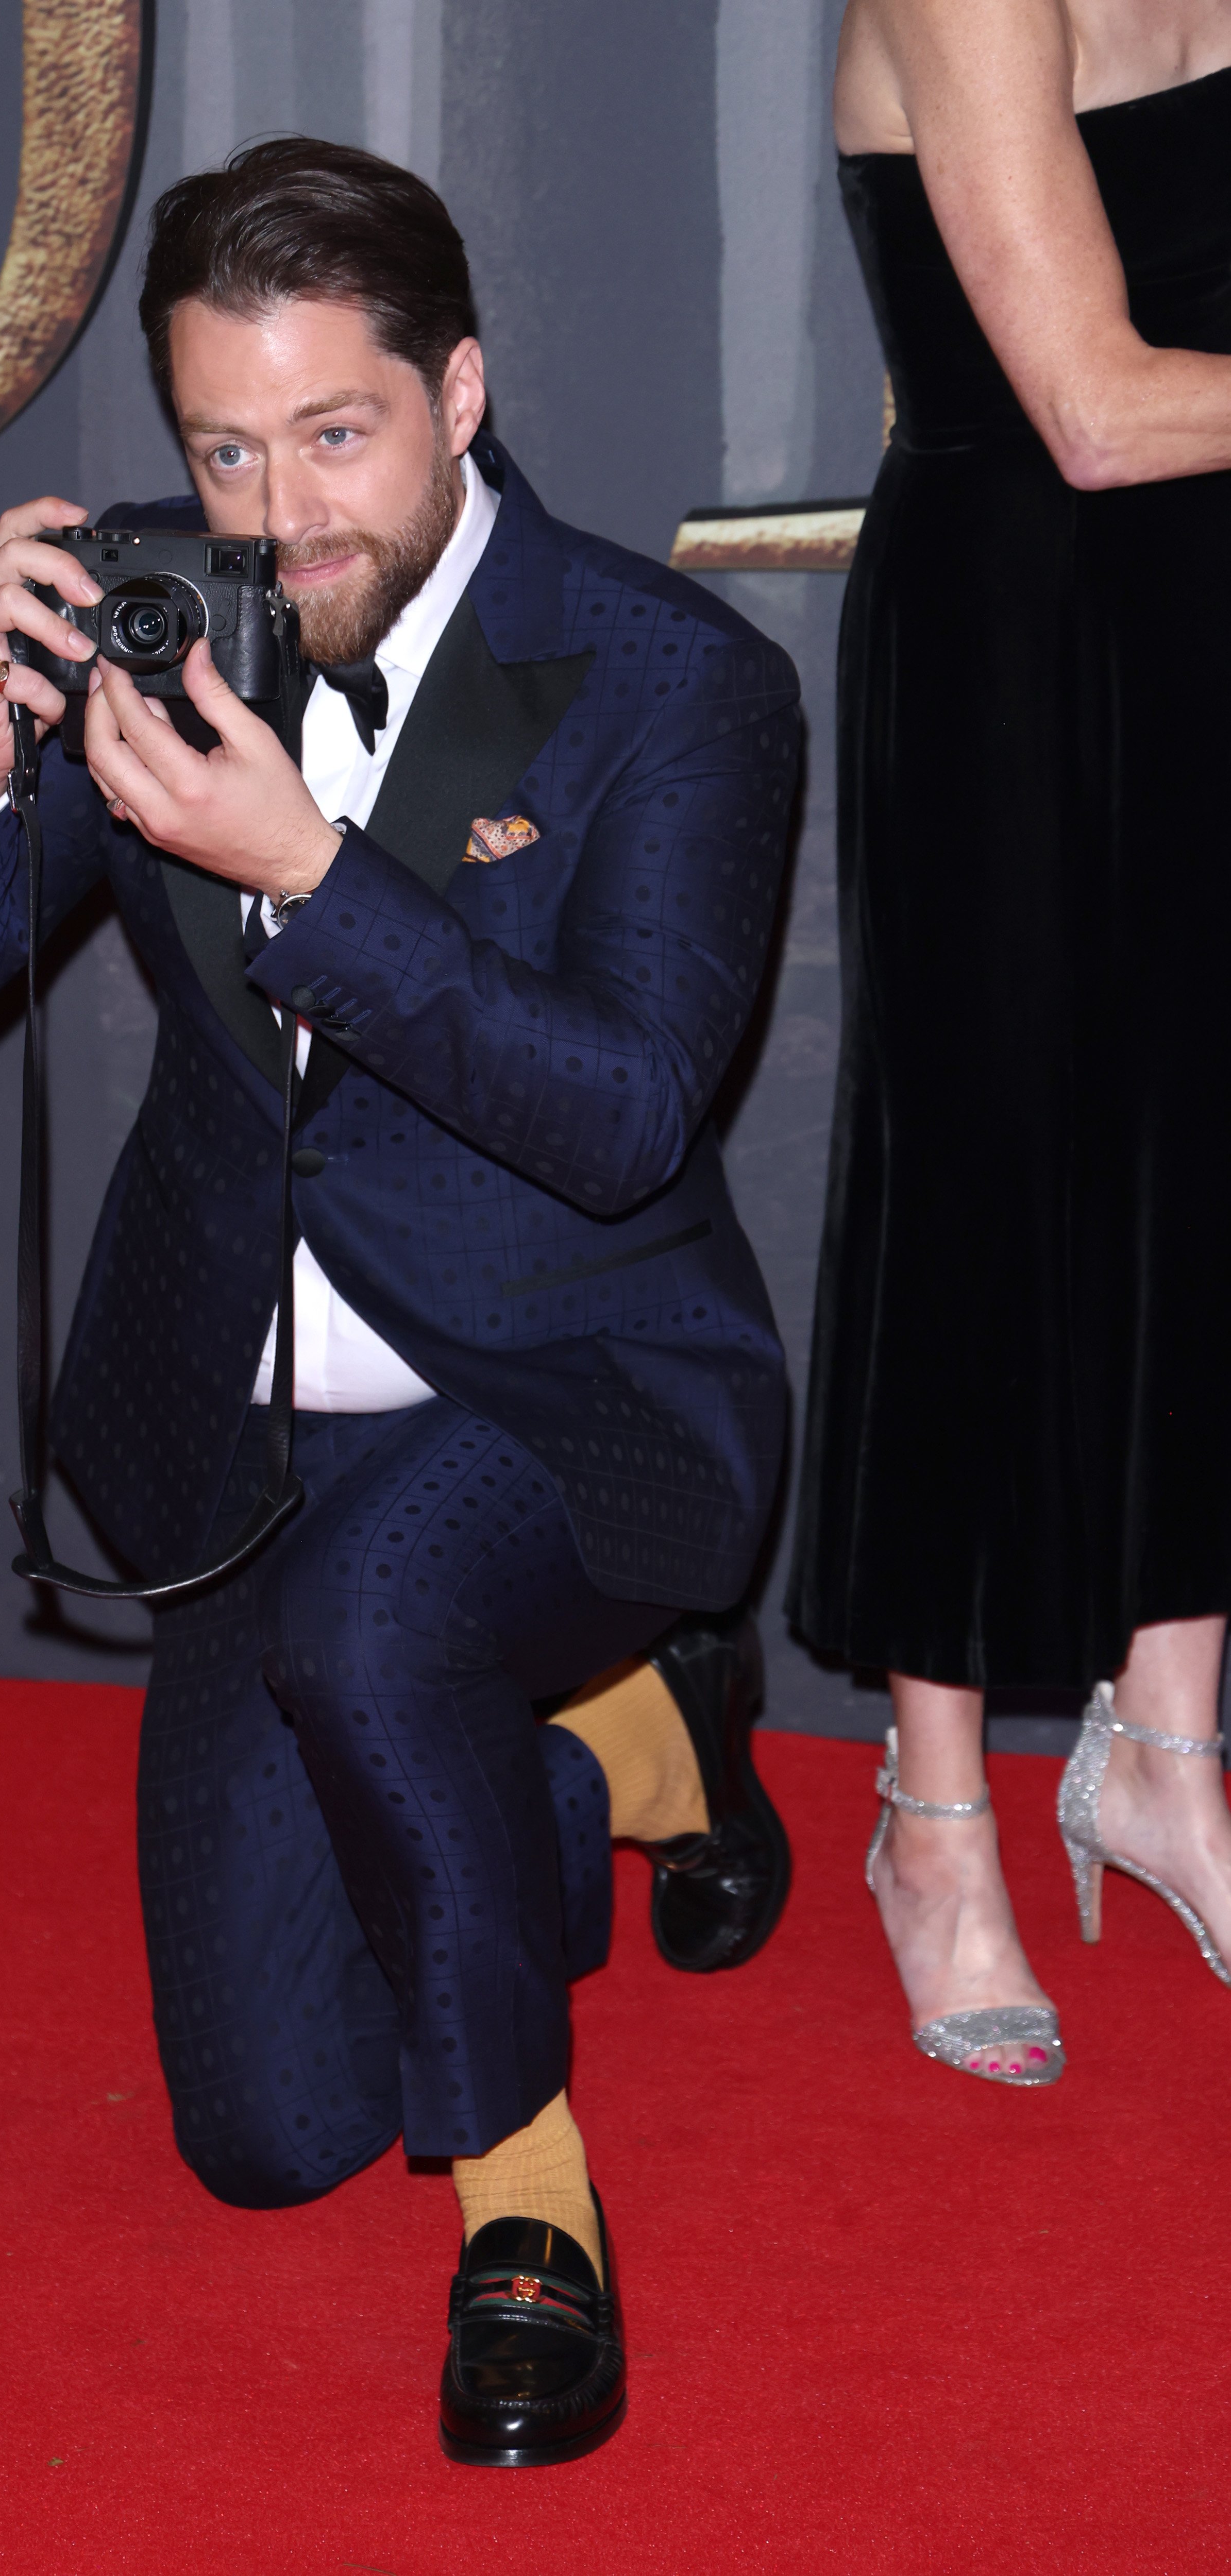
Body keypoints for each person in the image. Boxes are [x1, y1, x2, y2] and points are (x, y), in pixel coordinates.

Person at [0, 140, 799, 2463]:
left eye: (339, 433)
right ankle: (624, 1750)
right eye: (227, 449)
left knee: (383, 1625)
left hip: (581, 1388)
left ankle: (528, 2203)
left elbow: (632, 1110)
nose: (288, 504)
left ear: (460, 392)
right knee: (266, 2129)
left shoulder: (675, 683)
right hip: (256, 1447)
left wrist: (309, 875)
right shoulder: (185, 626)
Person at [790, 1, 1231, 2086]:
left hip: (1221, 620)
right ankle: (933, 1807)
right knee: (978, 1199)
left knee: (1214, 1164)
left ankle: (1167, 1748)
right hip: (1015, 637)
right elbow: (1096, 407)